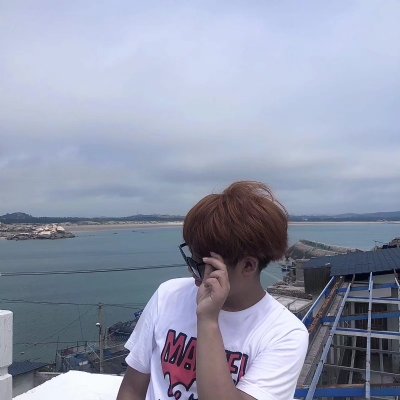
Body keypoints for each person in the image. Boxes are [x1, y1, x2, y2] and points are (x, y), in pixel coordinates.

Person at [117, 181, 308, 400]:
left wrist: (208, 320)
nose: (191, 271)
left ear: (248, 266)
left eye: (202, 265)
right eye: (190, 259)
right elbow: (132, 388)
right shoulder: (168, 295)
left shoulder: (284, 334)